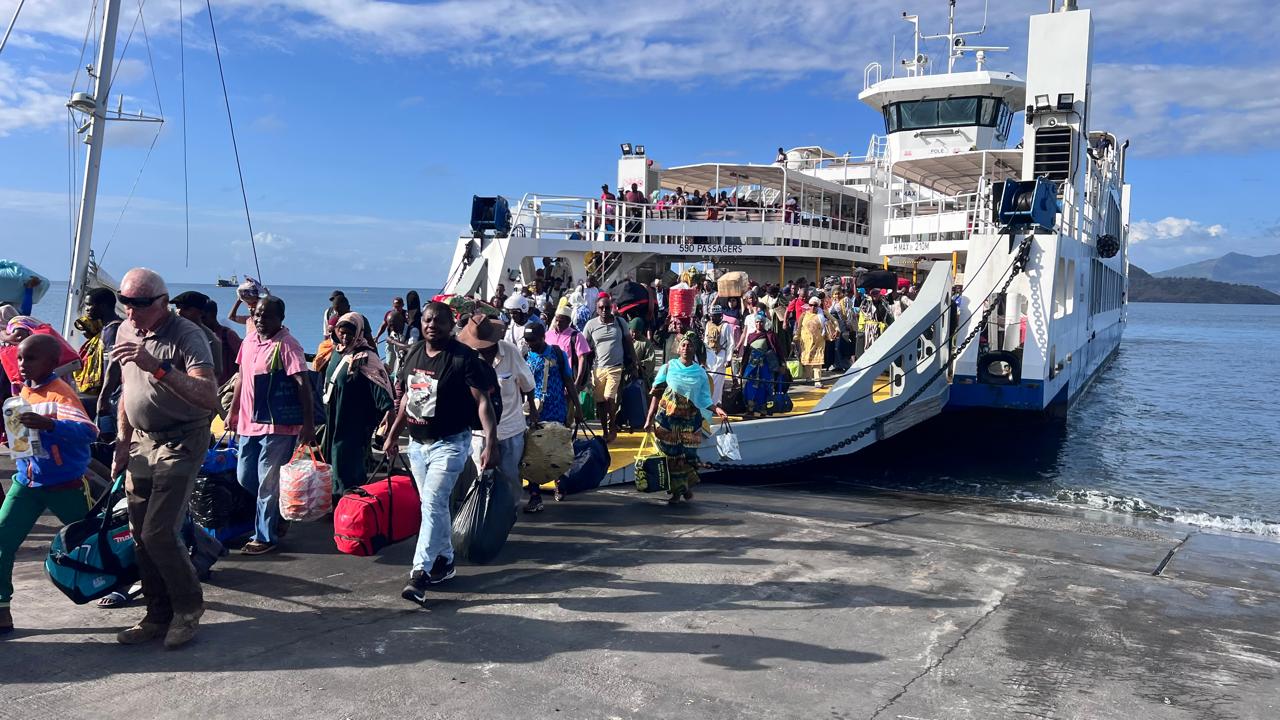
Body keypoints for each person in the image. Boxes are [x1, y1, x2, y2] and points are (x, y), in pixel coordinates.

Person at [108, 267, 220, 649]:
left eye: (139, 304)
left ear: (162, 302)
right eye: (125, 302)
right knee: (140, 533)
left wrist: (157, 367)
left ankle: (188, 610)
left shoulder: (187, 335)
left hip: (182, 440)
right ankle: (157, 615)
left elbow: (208, 395)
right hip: (142, 441)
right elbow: (128, 389)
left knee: (158, 531)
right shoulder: (125, 330)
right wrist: (122, 440)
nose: (130, 312)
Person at [383, 302, 498, 604]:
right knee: (432, 506)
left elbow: (482, 402)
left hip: (450, 443)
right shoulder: (414, 353)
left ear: (451, 325)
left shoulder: (463, 358)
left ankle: (419, 573)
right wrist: (393, 434)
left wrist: (491, 442)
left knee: (433, 503)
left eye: (439, 321)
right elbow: (408, 398)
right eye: (427, 320)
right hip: (417, 445)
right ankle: (445, 560)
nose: (432, 325)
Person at [0, 335, 97, 634]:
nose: (22, 364)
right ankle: (2, 609)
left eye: (31, 358)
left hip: (64, 486)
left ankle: (125, 583)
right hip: (26, 483)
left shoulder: (60, 394)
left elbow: (88, 432)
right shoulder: (23, 392)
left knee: (93, 541)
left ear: (52, 362)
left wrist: (52, 425)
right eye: (20, 358)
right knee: (2, 542)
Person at [225, 296, 315, 555]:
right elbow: (241, 378)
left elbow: (303, 384)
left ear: (280, 319)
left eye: (267, 316)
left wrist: (308, 424)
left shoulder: (287, 344)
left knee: (267, 482)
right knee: (245, 476)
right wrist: (233, 411)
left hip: (278, 425)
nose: (260, 320)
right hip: (248, 422)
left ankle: (264, 537)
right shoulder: (249, 341)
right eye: (257, 315)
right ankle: (277, 513)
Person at [458, 315, 536, 514]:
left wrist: (533, 413)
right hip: (478, 433)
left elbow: (528, 385)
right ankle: (484, 516)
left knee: (510, 476)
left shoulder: (510, 352)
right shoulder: (466, 356)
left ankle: (509, 514)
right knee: (480, 476)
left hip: (510, 429)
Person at [643, 331, 728, 505]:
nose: (686, 348)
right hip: (667, 420)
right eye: (683, 345)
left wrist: (717, 409)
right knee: (671, 456)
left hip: (690, 421)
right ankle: (678, 491)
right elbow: (656, 394)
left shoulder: (700, 373)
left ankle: (683, 488)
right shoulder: (669, 367)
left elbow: (704, 398)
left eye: (689, 345)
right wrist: (649, 418)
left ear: (694, 349)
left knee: (688, 456)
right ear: (678, 348)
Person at [321, 313, 394, 494]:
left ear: (359, 333)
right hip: (333, 416)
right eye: (342, 332)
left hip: (352, 419)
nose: (345, 337)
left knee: (347, 461)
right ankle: (336, 499)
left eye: (350, 333)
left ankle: (349, 498)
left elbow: (379, 384)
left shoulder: (365, 357)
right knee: (331, 459)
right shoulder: (337, 352)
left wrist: (387, 409)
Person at [582, 294, 634, 444]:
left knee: (609, 398)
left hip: (616, 367)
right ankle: (604, 430)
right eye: (601, 308)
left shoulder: (620, 322)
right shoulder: (591, 325)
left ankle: (612, 427)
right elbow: (583, 346)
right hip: (598, 368)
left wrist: (634, 363)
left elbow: (629, 343)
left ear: (611, 307)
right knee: (600, 403)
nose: (604, 310)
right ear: (597, 309)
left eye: (607, 307)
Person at [524, 323, 581, 431]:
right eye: (527, 340)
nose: (529, 344)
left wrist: (578, 408)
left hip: (556, 412)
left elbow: (568, 382)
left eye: (533, 340)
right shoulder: (525, 356)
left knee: (556, 440)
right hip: (534, 412)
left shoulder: (558, 354)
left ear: (543, 337)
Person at [72, 286, 122, 396]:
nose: (86, 309)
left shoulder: (112, 330)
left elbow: (111, 367)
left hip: (111, 393)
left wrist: (104, 397)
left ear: (103, 306)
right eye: (86, 305)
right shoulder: (106, 328)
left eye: (90, 305)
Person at [740, 309, 786, 417]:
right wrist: (742, 367)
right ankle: (750, 409)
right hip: (752, 367)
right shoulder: (751, 336)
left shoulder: (769, 335)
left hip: (765, 367)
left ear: (764, 323)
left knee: (764, 387)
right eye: (757, 322)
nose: (759, 324)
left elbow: (778, 350)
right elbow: (747, 352)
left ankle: (763, 409)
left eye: (761, 322)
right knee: (750, 387)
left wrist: (782, 364)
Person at [171, 292, 223, 383]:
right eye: (177, 307)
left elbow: (214, 376)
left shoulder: (210, 340)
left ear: (200, 312)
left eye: (186, 308)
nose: (179, 312)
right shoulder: (170, 333)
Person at [546, 302, 592, 391]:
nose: (558, 323)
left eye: (561, 321)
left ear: (568, 321)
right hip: (550, 379)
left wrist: (578, 382)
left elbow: (582, 359)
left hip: (568, 380)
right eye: (556, 320)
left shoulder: (577, 336)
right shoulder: (548, 335)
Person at [201, 300, 242, 387]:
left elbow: (244, 361)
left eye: (203, 317)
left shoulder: (227, 334)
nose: (201, 321)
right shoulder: (201, 336)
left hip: (227, 388)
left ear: (212, 315)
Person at [703, 305, 735, 403]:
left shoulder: (726, 326)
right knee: (709, 379)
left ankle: (716, 403)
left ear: (720, 316)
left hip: (721, 355)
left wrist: (728, 359)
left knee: (718, 382)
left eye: (715, 316)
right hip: (709, 356)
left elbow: (731, 343)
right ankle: (708, 402)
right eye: (712, 316)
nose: (713, 318)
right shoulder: (708, 325)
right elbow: (705, 341)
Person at [796, 296, 828, 388]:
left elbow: (834, 321)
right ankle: (808, 378)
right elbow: (799, 327)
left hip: (819, 342)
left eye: (815, 305)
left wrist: (837, 329)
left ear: (818, 306)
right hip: (806, 342)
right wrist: (796, 336)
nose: (812, 307)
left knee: (817, 361)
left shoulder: (823, 314)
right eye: (811, 305)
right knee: (807, 360)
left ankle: (817, 381)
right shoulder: (804, 315)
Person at [629, 317, 658, 391]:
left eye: (637, 332)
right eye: (632, 331)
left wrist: (639, 365)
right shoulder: (626, 340)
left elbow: (651, 361)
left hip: (639, 378)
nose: (634, 334)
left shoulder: (646, 343)